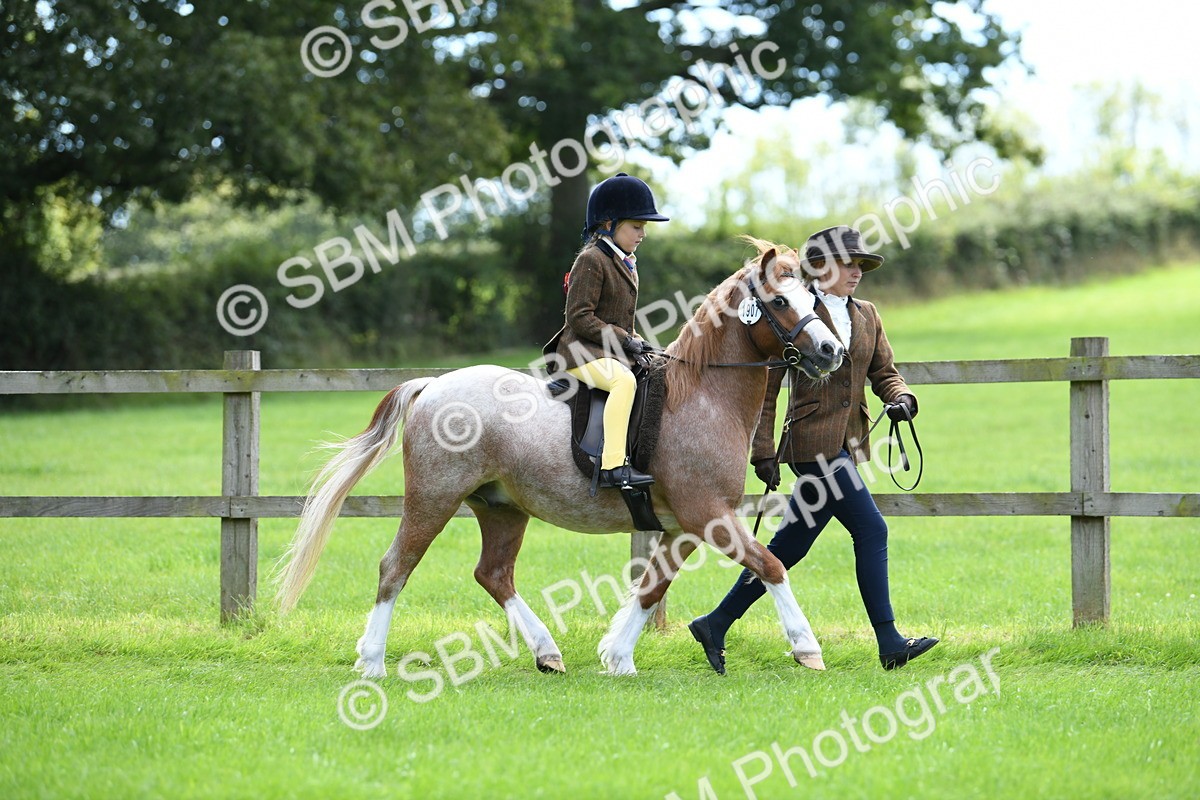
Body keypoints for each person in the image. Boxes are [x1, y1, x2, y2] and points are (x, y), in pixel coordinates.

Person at [688, 225, 938, 672]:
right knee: (872, 529)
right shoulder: (798, 313)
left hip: (849, 443)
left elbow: (885, 372)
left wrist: (901, 397)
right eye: (847, 264)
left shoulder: (867, 315)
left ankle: (716, 622)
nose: (856, 272)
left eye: (860, 264)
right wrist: (762, 449)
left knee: (790, 545)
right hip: (812, 445)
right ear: (820, 268)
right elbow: (766, 387)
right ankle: (890, 642)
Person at [542, 172, 669, 489]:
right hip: (579, 351)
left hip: (605, 348)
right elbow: (579, 316)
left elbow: (623, 318)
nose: (642, 234)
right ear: (609, 223)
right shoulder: (592, 259)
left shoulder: (626, 261)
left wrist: (640, 342)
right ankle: (613, 466)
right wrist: (624, 340)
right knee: (623, 381)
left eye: (643, 227)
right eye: (636, 226)